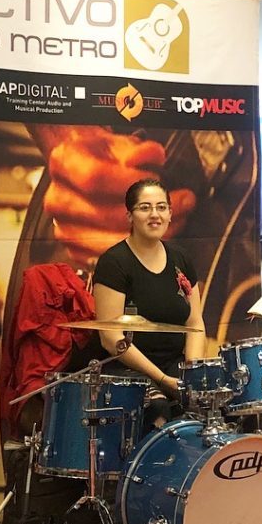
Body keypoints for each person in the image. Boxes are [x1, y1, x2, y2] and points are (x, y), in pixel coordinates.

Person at [92, 178, 205, 428]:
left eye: (161, 207)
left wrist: (191, 374)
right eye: (145, 208)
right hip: (127, 369)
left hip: (173, 364)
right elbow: (111, 338)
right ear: (129, 216)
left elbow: (195, 322)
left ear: (170, 214)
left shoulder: (181, 259)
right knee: (157, 407)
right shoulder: (114, 262)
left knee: (214, 398)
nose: (155, 215)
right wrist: (163, 380)